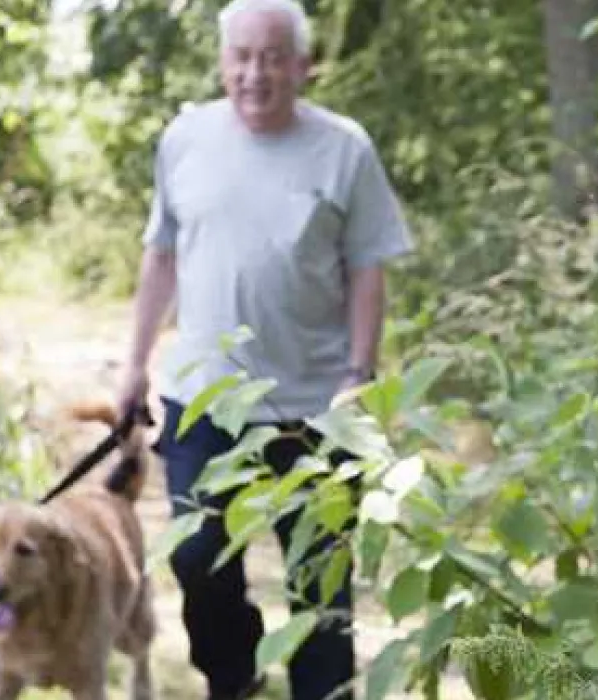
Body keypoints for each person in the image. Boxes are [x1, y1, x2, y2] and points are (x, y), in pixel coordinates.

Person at [114, 0, 412, 697]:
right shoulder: (185, 138)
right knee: (197, 556)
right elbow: (161, 257)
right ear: (223, 62)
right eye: (242, 56)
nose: (256, 72)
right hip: (203, 399)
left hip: (316, 408)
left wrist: (358, 376)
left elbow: (368, 266)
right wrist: (133, 363)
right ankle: (232, 677)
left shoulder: (345, 148)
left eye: (274, 56)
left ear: (304, 65)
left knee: (322, 588)